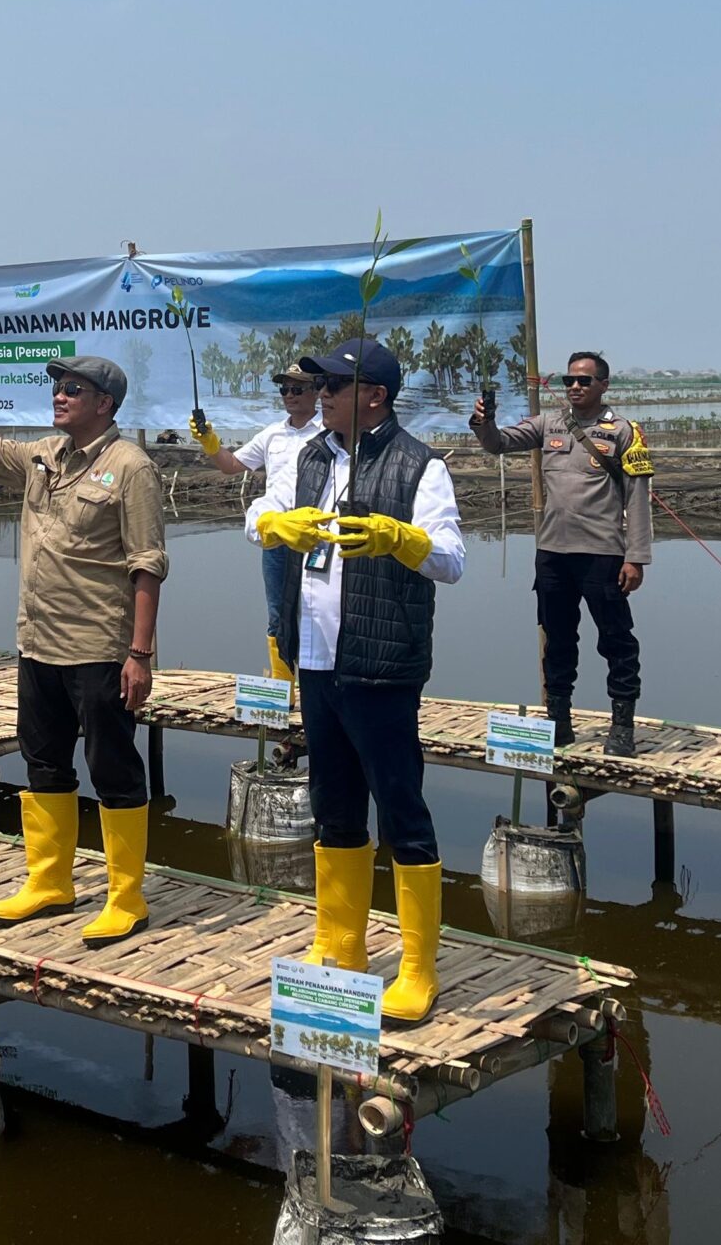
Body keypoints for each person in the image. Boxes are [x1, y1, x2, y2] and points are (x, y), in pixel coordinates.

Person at [0, 342, 167, 945]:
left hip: (99, 644)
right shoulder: (45, 454)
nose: (60, 395)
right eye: (58, 387)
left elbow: (147, 565)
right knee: (43, 760)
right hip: (39, 641)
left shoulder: (130, 466)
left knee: (114, 766)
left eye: (73, 389)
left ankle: (127, 897)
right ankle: (49, 881)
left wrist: (140, 654)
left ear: (105, 403)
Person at [251, 337, 464, 1023]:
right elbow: (257, 513)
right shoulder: (313, 455)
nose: (321, 397)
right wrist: (277, 524)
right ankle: (338, 942)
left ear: (374, 395)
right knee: (333, 802)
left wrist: (401, 540)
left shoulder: (418, 465)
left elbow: (453, 559)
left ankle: (416, 966)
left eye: (334, 388)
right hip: (314, 657)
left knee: (401, 806)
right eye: (318, 388)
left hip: (380, 660)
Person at [469, 349, 654, 756]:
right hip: (552, 553)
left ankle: (621, 726)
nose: (574, 386)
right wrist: (484, 422)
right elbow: (498, 444)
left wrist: (636, 557)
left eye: (584, 381)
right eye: (570, 379)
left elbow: (638, 497)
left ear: (603, 386)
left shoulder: (623, 432)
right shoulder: (547, 423)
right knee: (557, 640)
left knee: (616, 642)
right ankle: (559, 721)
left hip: (603, 554)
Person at [197, 363, 323, 683]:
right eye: (284, 389)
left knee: (319, 613)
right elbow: (233, 465)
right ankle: (284, 687)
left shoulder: (329, 432)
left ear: (316, 392)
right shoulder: (272, 433)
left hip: (316, 537)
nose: (290, 396)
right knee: (278, 614)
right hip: (277, 536)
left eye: (297, 389)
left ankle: (321, 687)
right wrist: (210, 441)